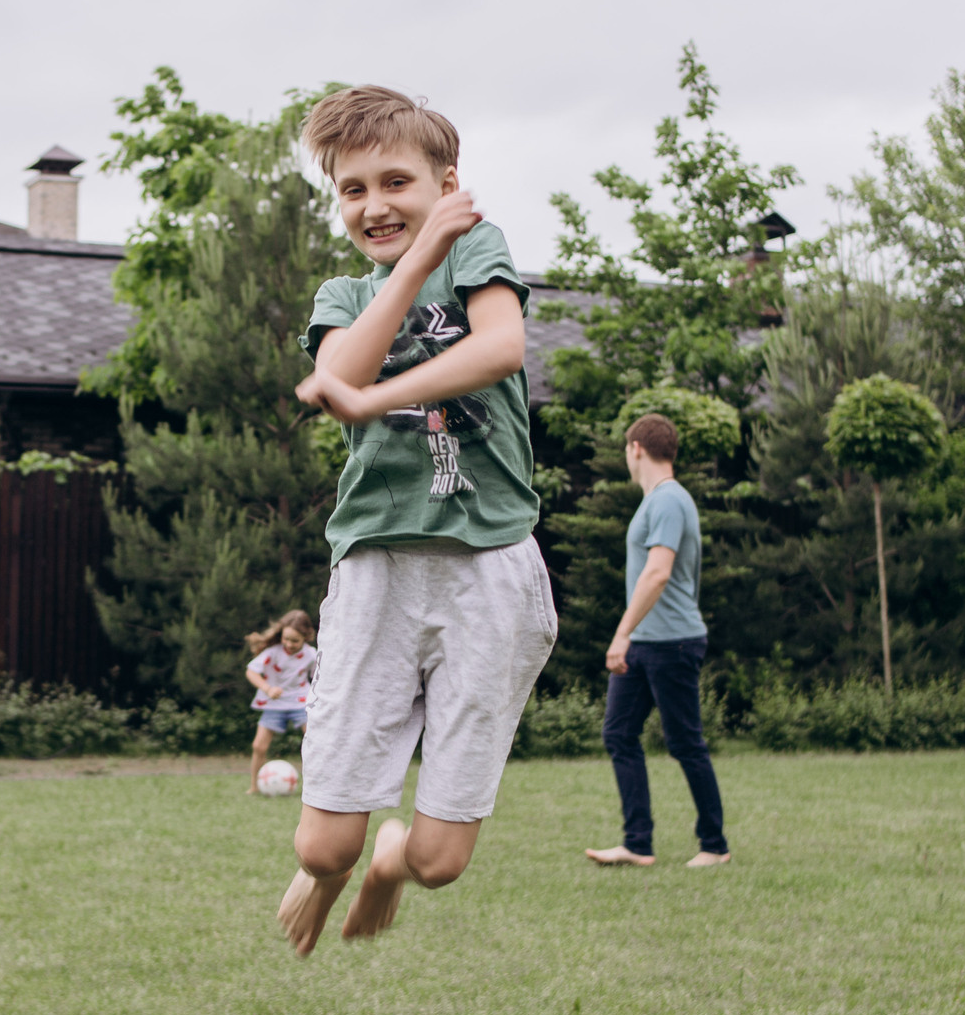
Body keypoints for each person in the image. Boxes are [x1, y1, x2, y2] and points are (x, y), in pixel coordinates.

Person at [278, 86, 557, 956]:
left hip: (490, 569)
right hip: (378, 565)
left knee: (438, 862)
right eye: (352, 190)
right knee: (322, 843)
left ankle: (393, 858)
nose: (374, 204)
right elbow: (343, 371)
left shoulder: (478, 248)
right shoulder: (341, 291)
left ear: (448, 182)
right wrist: (410, 260)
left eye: (396, 181)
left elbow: (499, 348)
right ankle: (335, 868)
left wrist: (376, 393)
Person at [585, 413, 731, 870]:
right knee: (619, 733)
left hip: (672, 643)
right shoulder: (656, 501)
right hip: (647, 642)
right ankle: (637, 843)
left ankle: (715, 845)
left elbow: (658, 571)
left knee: (686, 742)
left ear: (636, 450)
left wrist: (621, 633)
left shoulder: (668, 500)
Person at [243, 609, 318, 791]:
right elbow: (251, 671)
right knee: (259, 746)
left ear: (306, 636)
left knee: (315, 742)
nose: (289, 644)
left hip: (301, 701)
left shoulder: (311, 654)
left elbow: (318, 678)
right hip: (274, 703)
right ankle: (255, 787)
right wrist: (268, 688)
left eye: (295, 641)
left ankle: (316, 787)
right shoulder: (273, 652)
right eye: (286, 639)